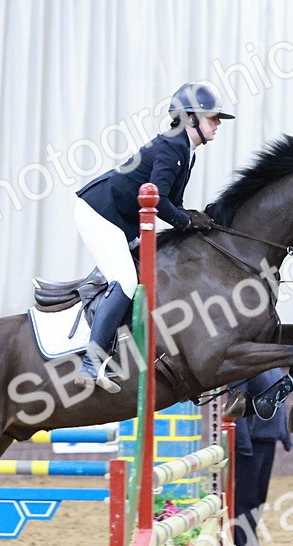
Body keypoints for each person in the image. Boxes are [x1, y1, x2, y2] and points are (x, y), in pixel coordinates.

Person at [73, 81, 234, 392]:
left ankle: (117, 349)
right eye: (212, 117)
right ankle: (91, 362)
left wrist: (192, 219)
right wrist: (185, 222)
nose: (216, 124)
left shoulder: (186, 150)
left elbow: (173, 201)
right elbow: (159, 199)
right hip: (100, 213)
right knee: (127, 281)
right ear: (190, 118)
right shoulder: (173, 145)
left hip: (122, 218)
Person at [232, 368, 293, 546]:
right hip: (252, 442)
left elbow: (280, 404)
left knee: (258, 498)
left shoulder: (275, 369)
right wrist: (242, 442)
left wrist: (285, 435)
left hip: (268, 440)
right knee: (245, 497)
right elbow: (236, 401)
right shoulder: (246, 366)